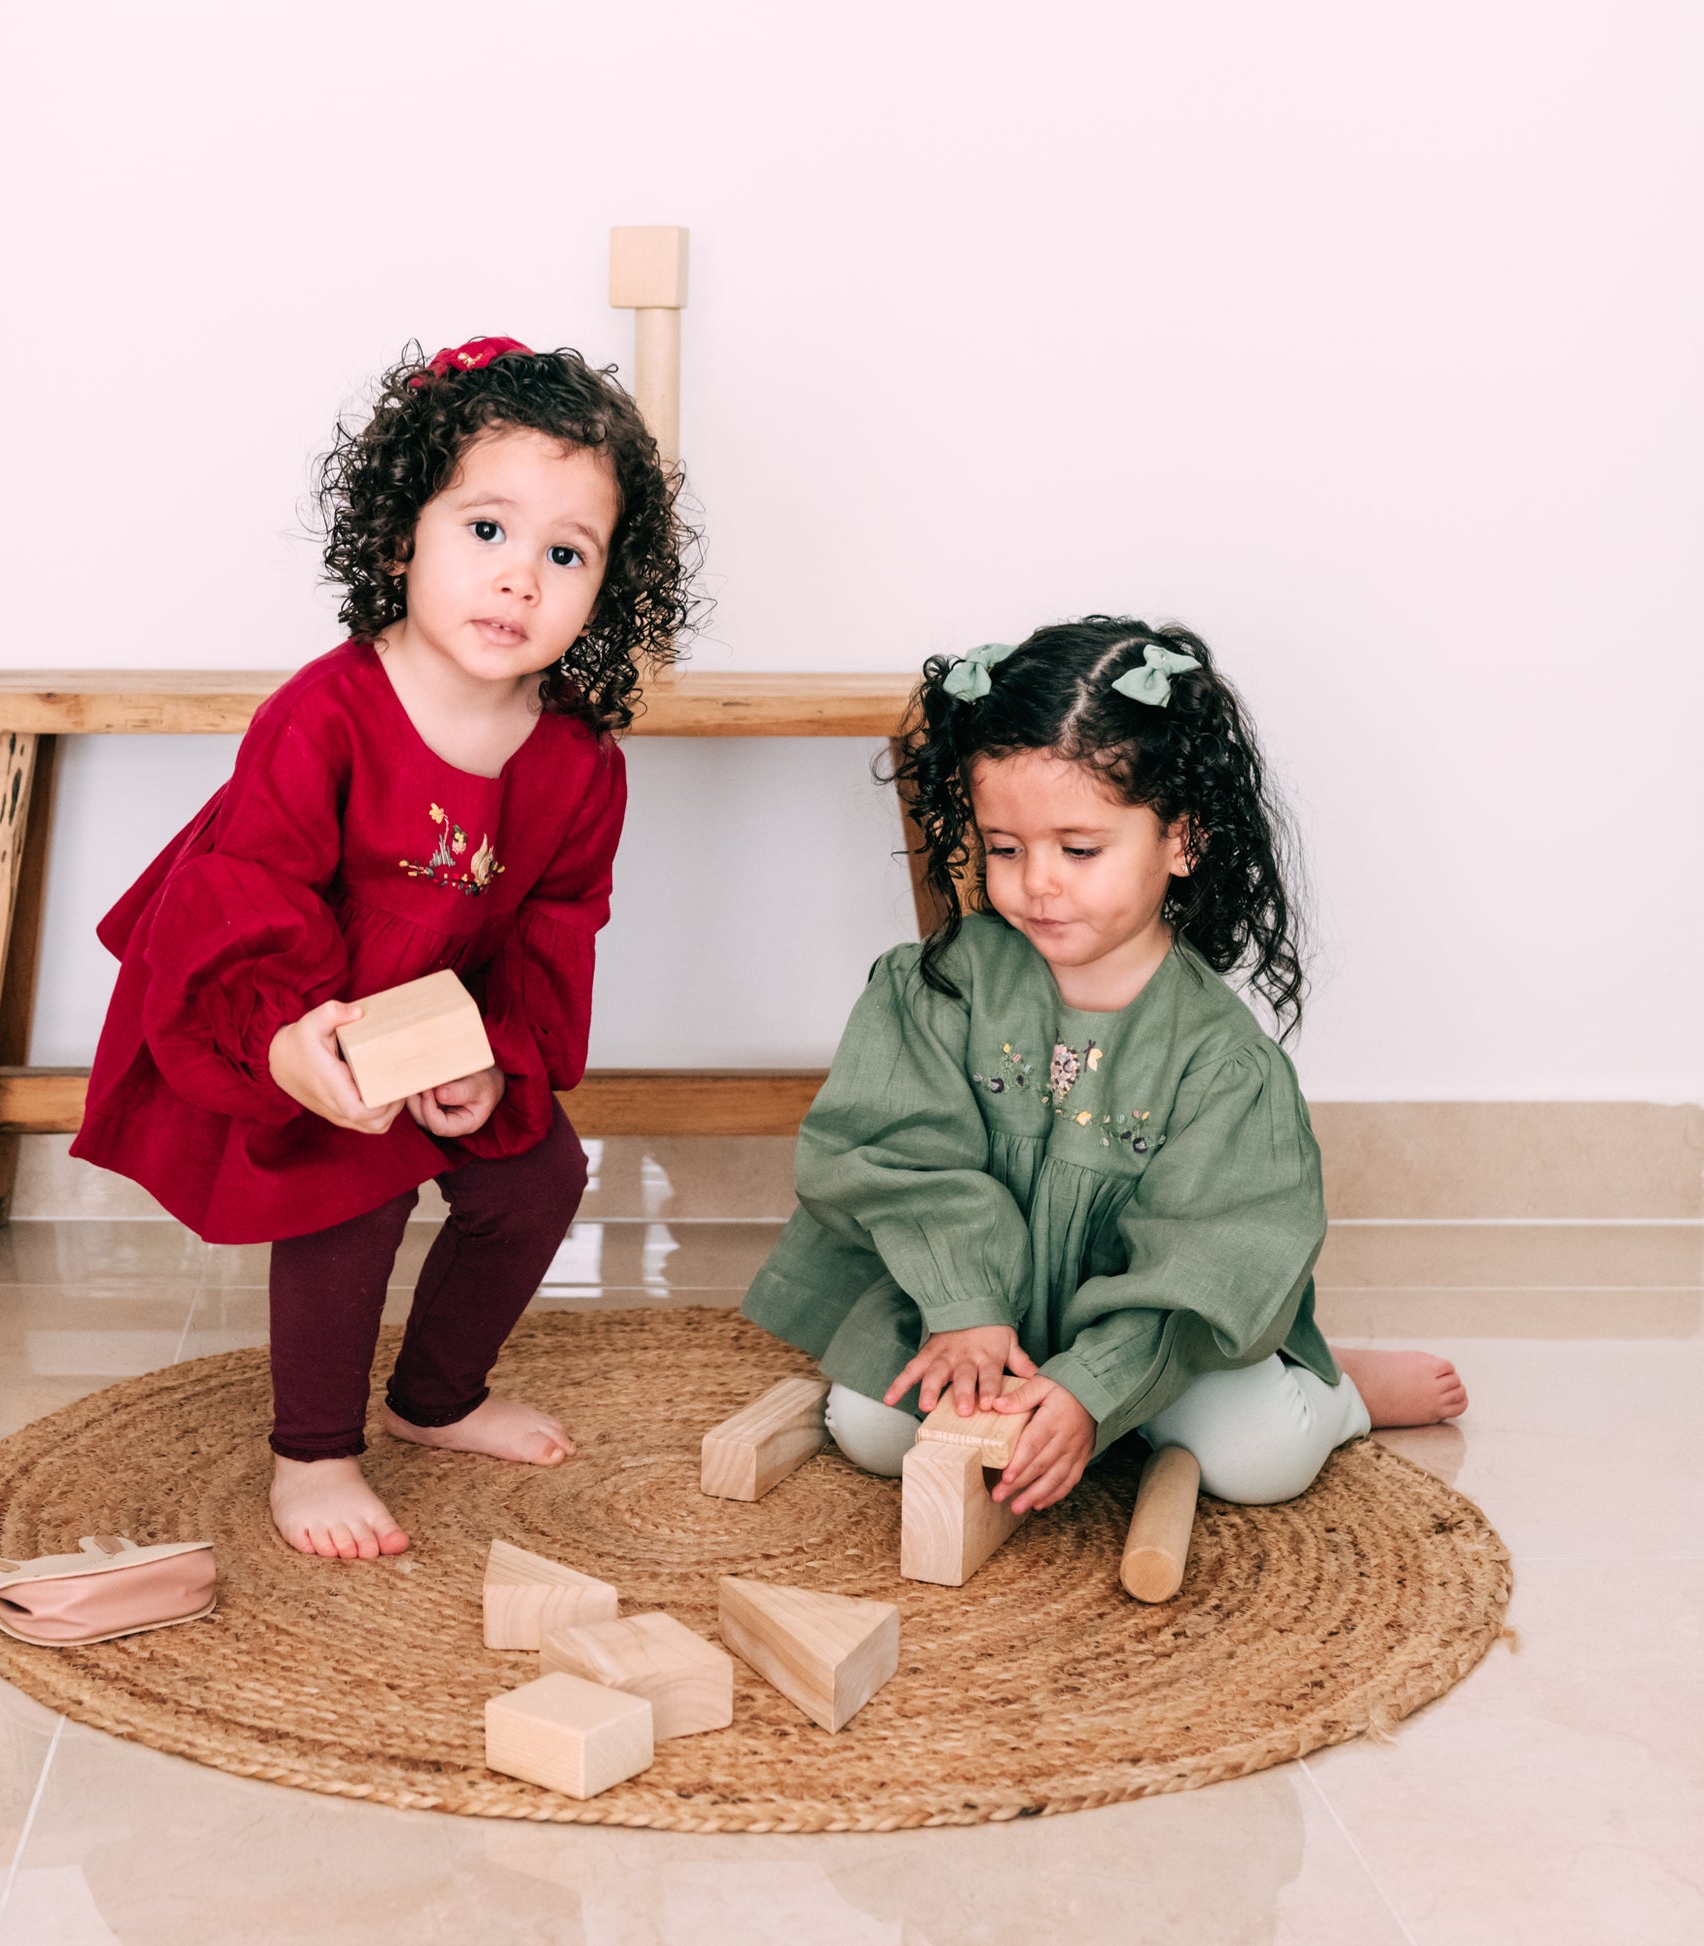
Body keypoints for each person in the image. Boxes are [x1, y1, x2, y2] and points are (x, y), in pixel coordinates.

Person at [73, 338, 695, 1558]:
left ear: (604, 589)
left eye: (563, 553)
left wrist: (494, 1058)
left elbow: (551, 924)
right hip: (299, 1009)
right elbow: (249, 890)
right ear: (400, 534)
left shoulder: (578, 761)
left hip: (442, 1018)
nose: (519, 578)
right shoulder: (324, 714)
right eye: (485, 530)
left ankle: (436, 1397)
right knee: (341, 1196)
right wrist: (291, 1039)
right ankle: (312, 1449)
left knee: (537, 1181)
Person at [742, 619, 1466, 1514]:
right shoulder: (941, 986)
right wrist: (965, 1310)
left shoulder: (1220, 1062)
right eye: (1005, 847)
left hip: (1153, 1336)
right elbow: (893, 1153)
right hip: (982, 1316)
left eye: (1078, 850)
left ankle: (1336, 1391)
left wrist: (1092, 1387)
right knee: (873, 1429)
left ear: (1179, 842)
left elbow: (1211, 1258)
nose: (1037, 881)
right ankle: (1049, 1390)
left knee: (1257, 1460)